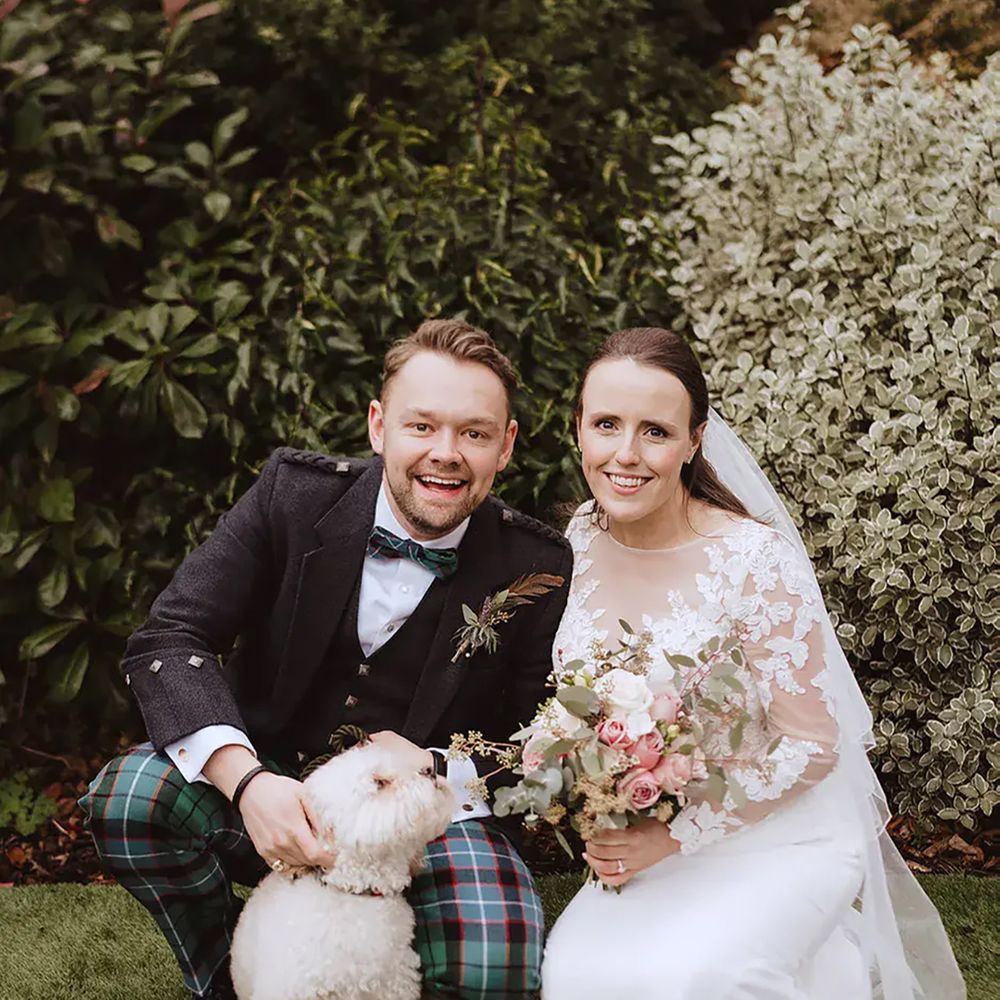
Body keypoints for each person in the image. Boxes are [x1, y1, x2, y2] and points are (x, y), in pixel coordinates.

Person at [79, 319, 573, 1000]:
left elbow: (536, 743)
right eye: (421, 426)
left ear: (506, 445)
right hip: (272, 778)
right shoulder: (292, 495)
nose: (446, 453)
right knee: (131, 799)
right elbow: (170, 638)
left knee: (495, 958)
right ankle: (233, 977)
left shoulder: (536, 566)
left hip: (426, 819)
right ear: (379, 426)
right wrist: (248, 784)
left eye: (475, 433)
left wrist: (434, 768)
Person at [541, 328, 965, 1000]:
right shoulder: (580, 539)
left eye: (655, 431)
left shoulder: (752, 559)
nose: (626, 454)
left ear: (694, 440)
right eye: (607, 425)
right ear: (579, 430)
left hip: (782, 835)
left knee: (703, 979)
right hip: (646, 827)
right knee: (573, 974)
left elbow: (814, 745)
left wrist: (676, 834)